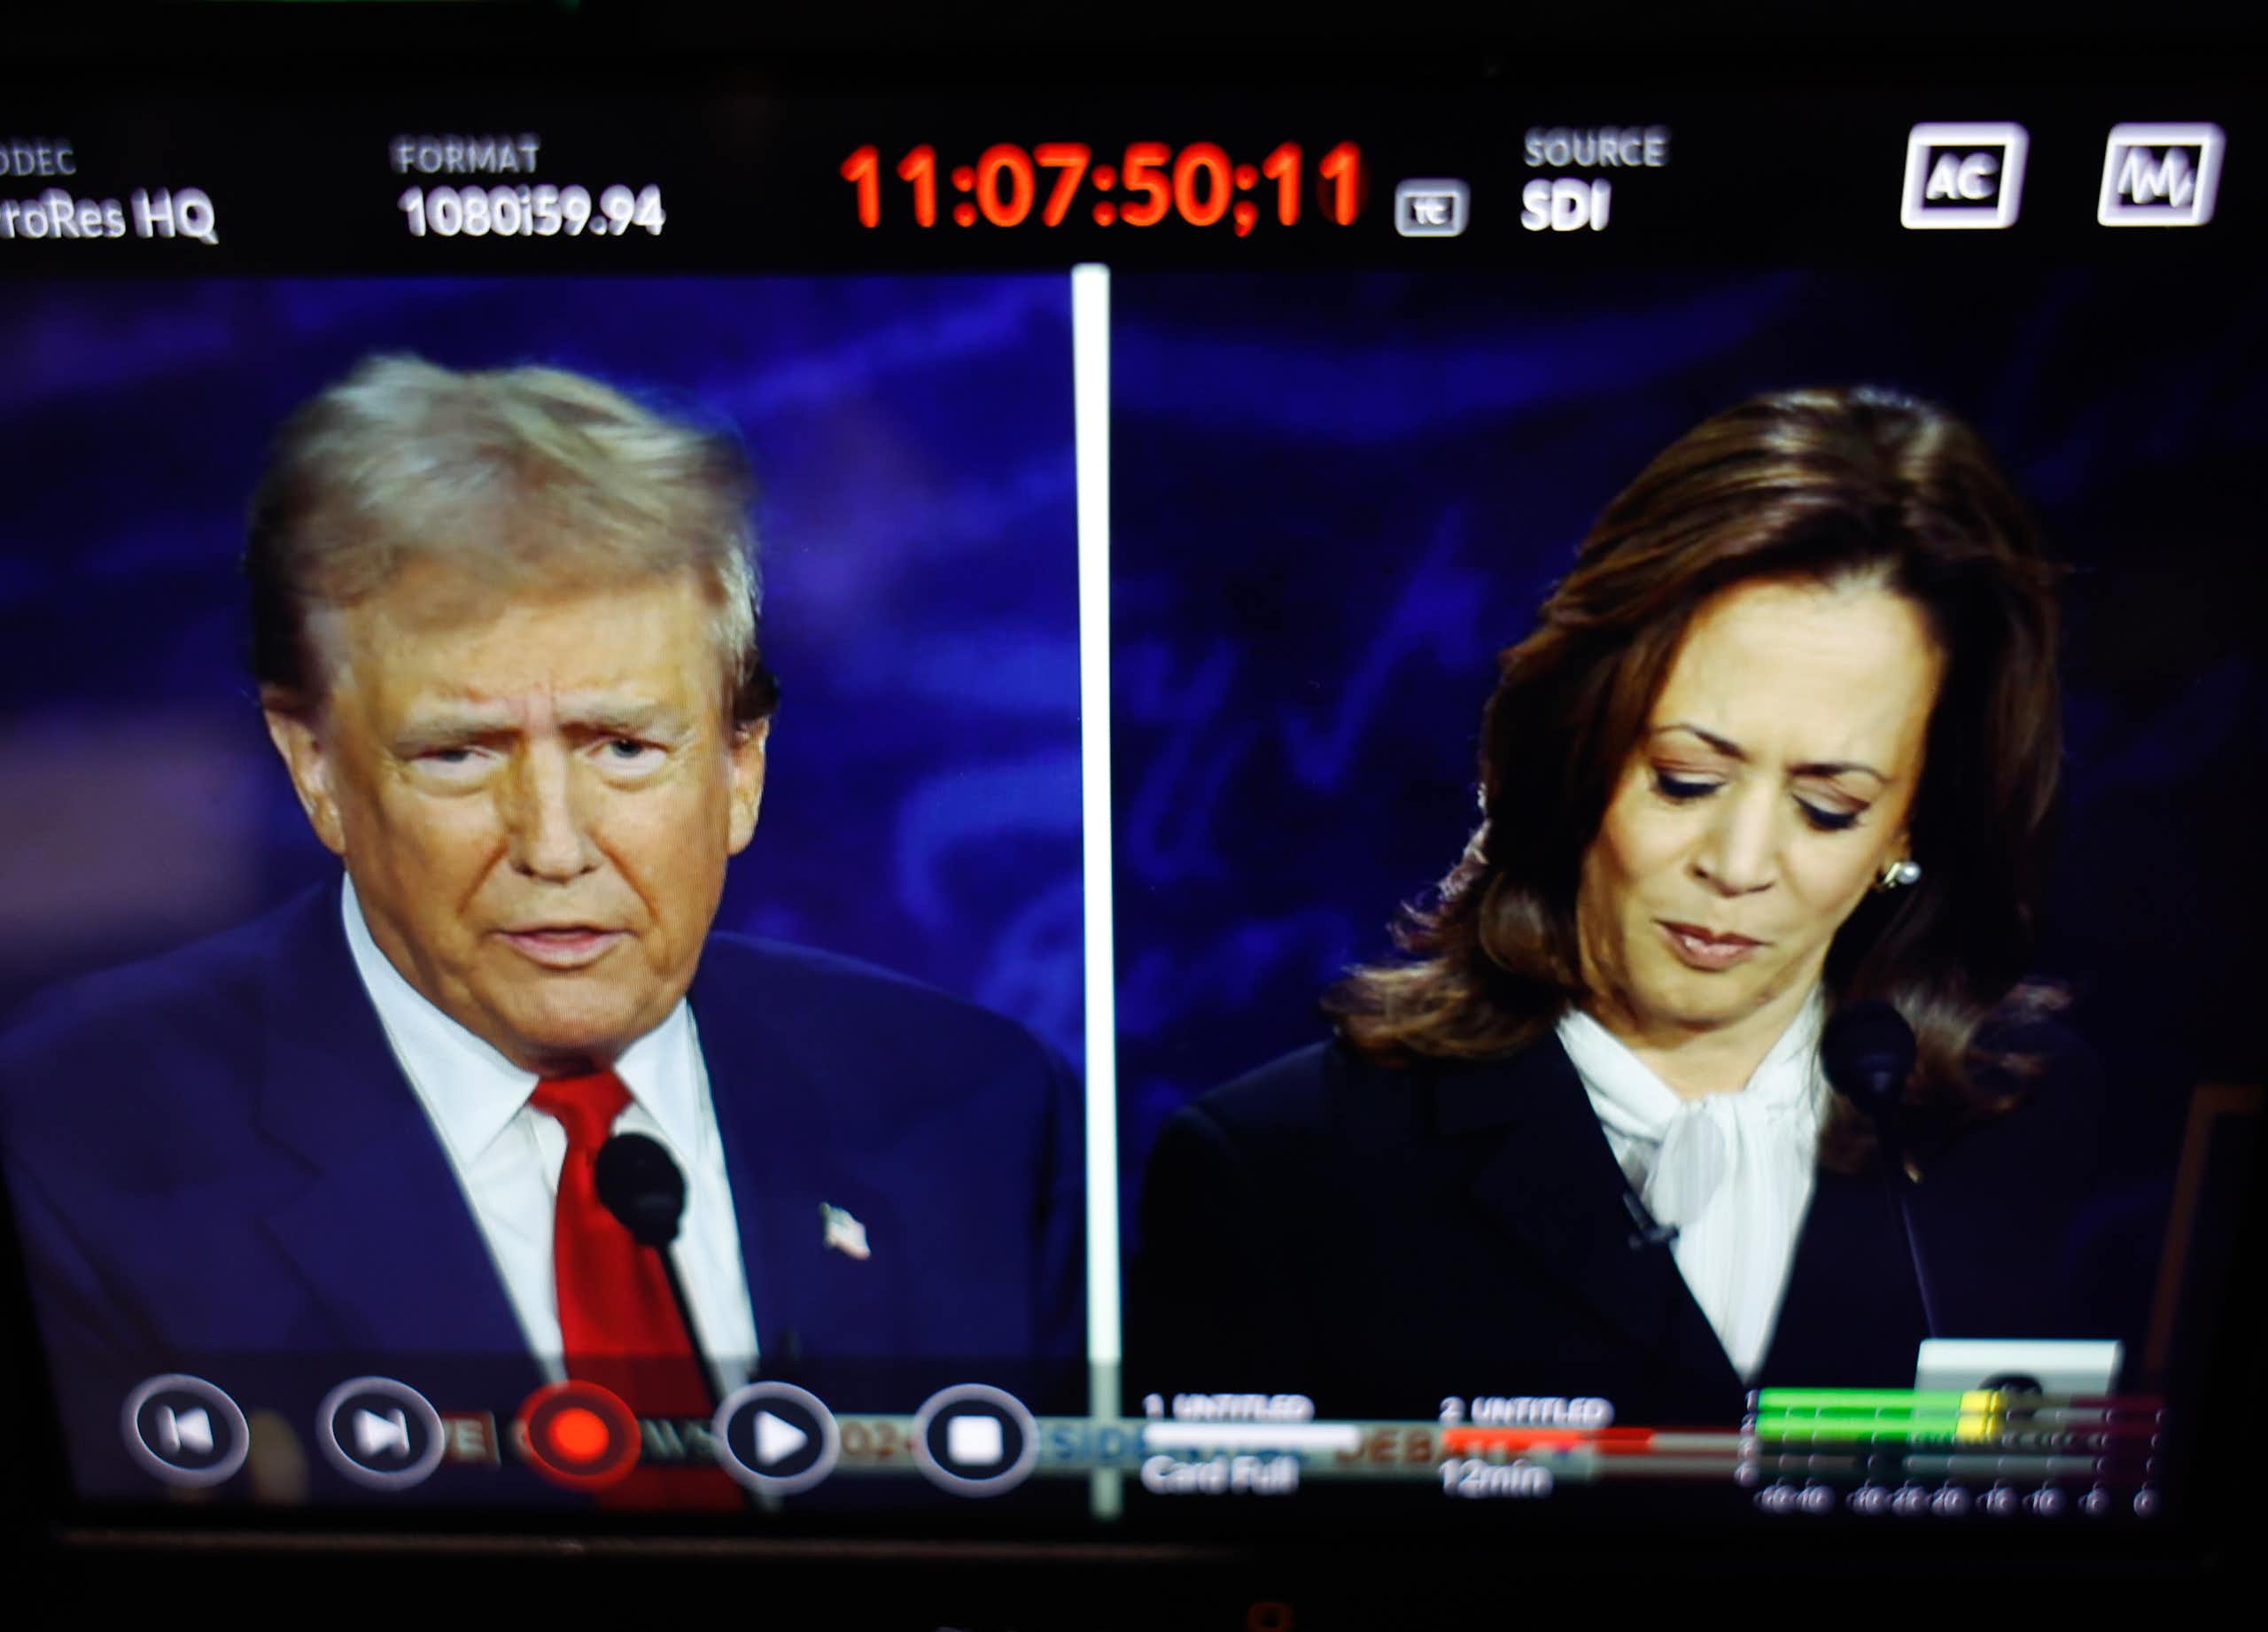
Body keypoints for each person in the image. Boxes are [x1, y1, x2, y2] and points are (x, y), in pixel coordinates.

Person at [0, 355, 1081, 1475]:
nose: (555, 847)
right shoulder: (73, 1143)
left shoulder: (978, 1115)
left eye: (623, 747)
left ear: (741, 765)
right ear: (315, 766)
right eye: (461, 755)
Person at [1135, 387, 2098, 1421]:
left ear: (1909, 827)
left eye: (1828, 807)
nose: (1736, 864)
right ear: (1572, 752)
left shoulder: (2041, 1144)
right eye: (1683, 779)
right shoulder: (1280, 1172)